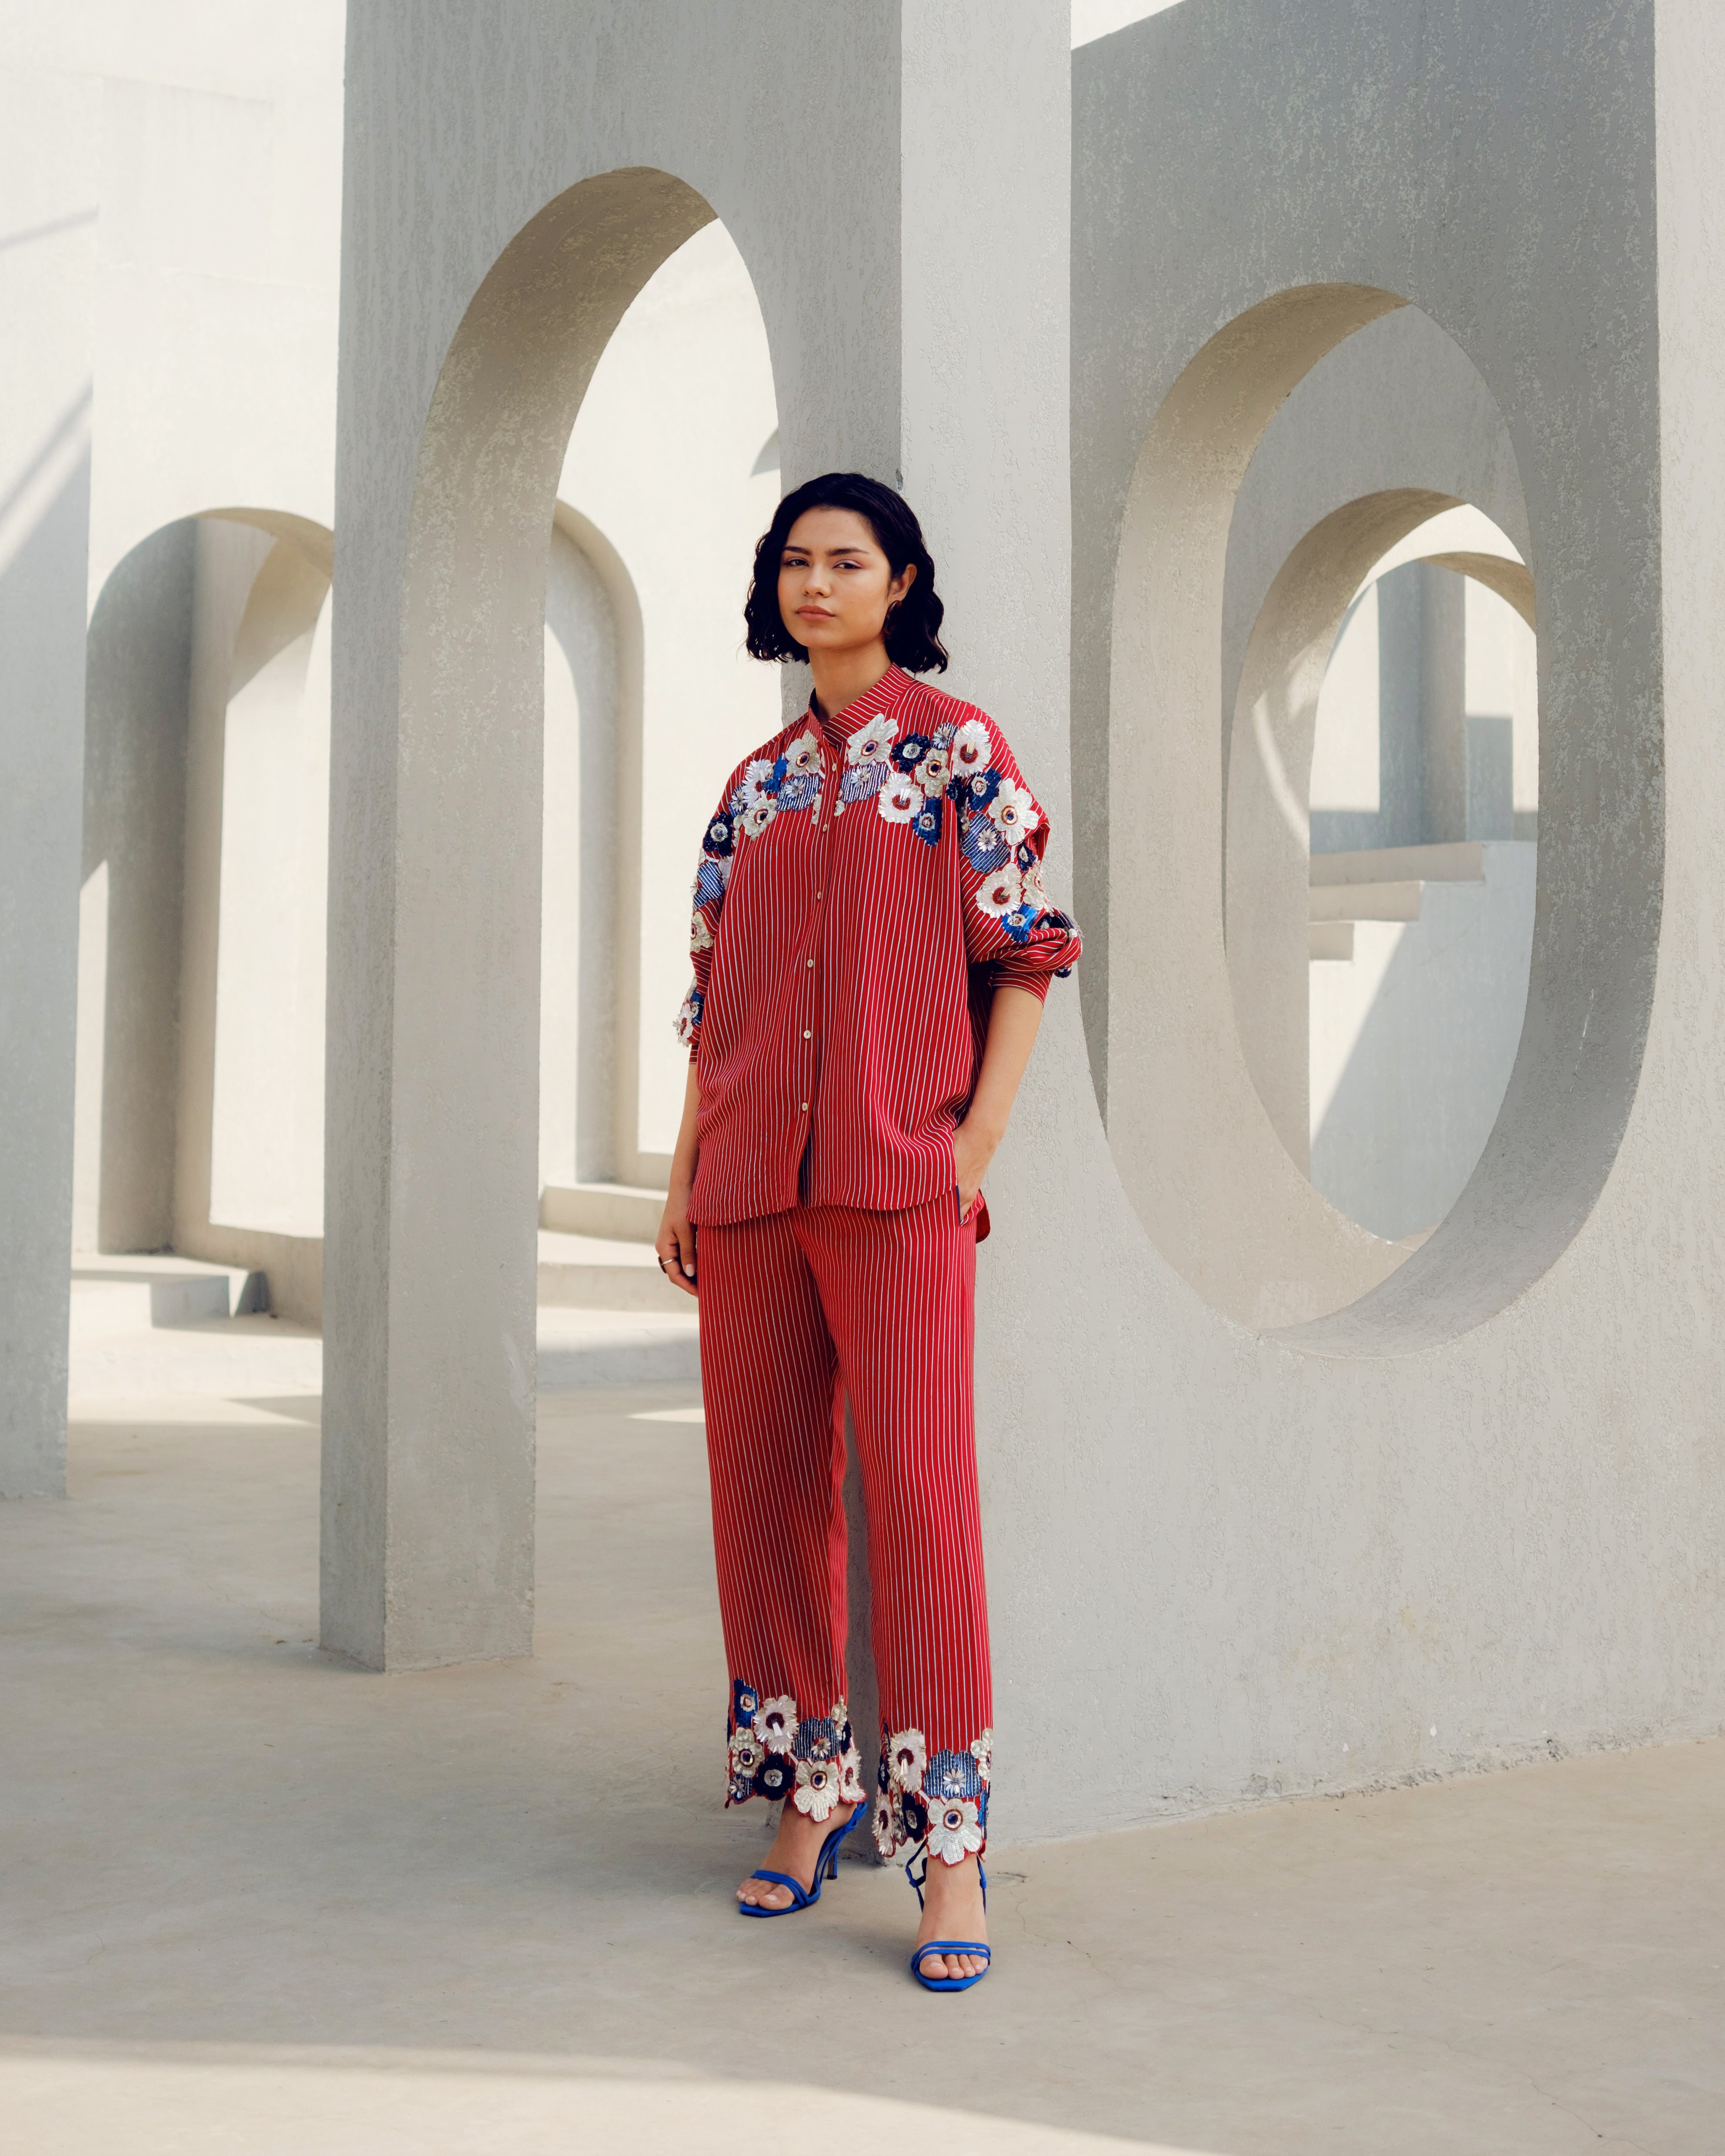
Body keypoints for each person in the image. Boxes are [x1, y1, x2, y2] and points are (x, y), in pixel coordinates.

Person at [655, 471, 1080, 1992]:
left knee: (919, 1504)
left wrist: (976, 1142)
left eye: (846, 561)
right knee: (763, 1500)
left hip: (901, 1181)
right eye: (795, 561)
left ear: (902, 582)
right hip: (752, 1184)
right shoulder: (752, 787)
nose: (814, 581)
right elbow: (712, 1003)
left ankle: (950, 1851)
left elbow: (1027, 949)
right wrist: (684, 1169)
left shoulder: (959, 754)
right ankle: (806, 1792)